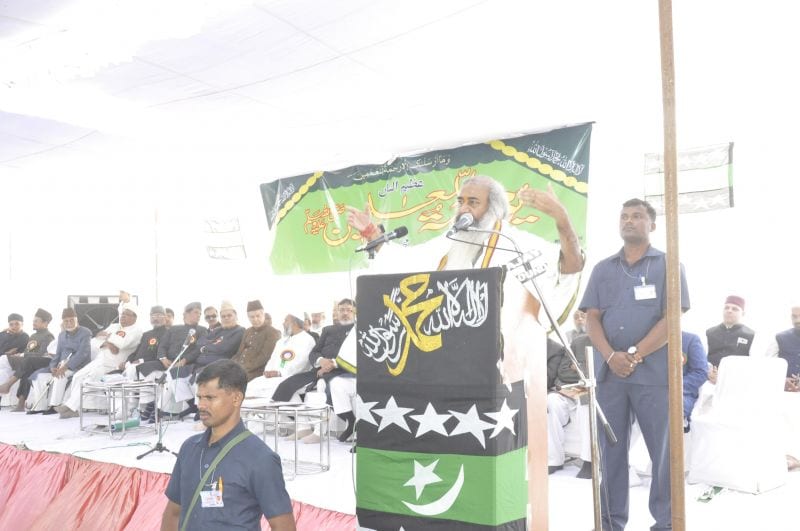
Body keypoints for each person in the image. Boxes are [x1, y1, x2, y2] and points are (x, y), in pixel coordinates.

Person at [346, 175, 584, 385]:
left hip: (504, 369)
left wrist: (561, 218)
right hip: (448, 366)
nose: (464, 209)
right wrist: (371, 233)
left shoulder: (517, 243)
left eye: (473, 202)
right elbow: (406, 263)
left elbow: (570, 266)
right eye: (461, 202)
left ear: (494, 209)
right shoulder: (450, 242)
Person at [580, 198, 690, 531]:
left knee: (663, 455)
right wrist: (610, 356)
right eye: (624, 216)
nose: (629, 221)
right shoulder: (603, 269)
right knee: (610, 453)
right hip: (610, 376)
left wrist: (635, 355)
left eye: (637, 216)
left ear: (652, 225)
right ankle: (610, 522)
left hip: (654, 376)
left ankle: (666, 524)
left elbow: (673, 319)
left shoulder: (668, 264)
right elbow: (591, 317)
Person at [160, 360, 295, 531]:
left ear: (236, 398)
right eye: (200, 397)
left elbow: (283, 526)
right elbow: (173, 513)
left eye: (210, 398)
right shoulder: (189, 448)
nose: (201, 405)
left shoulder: (261, 459)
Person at [271, 299, 358, 442]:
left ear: (355, 312)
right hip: (319, 369)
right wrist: (321, 361)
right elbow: (314, 352)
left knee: (323, 385)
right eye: (341, 310)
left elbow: (355, 355)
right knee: (287, 385)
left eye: (349, 310)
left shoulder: (359, 330)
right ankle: (303, 427)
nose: (345, 313)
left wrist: (332, 364)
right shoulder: (328, 330)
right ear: (337, 312)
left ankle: (320, 432)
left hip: (343, 370)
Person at [57, 303, 143, 418]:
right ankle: (73, 408)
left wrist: (108, 340)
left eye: (127, 314)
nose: (123, 316)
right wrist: (109, 342)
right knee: (78, 376)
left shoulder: (136, 330)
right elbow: (97, 339)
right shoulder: (114, 326)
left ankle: (71, 407)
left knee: (89, 379)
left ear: (134, 317)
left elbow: (121, 345)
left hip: (114, 363)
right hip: (101, 359)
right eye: (122, 314)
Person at [136, 302, 208, 417]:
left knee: (173, 374)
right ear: (186, 314)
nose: (199, 315)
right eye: (196, 312)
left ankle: (159, 409)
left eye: (200, 313)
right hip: (168, 361)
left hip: (187, 363)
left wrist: (184, 360)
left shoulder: (202, 330)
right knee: (145, 368)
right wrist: (163, 358)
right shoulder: (174, 329)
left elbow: (199, 349)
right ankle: (147, 404)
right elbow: (162, 346)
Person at [28, 308, 93, 414]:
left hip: (77, 366)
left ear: (77, 320)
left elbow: (82, 354)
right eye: (66, 321)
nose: (69, 323)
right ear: (63, 322)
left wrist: (66, 367)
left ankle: (55, 406)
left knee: (60, 376)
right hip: (60, 366)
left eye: (72, 320)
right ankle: (39, 407)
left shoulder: (85, 332)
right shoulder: (61, 335)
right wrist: (52, 367)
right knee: (39, 377)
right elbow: (57, 354)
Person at [546, 334, 593, 479]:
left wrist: (577, 367)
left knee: (585, 402)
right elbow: (563, 372)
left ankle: (589, 461)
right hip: (568, 390)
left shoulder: (611, 341)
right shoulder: (578, 342)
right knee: (551, 401)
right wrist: (585, 369)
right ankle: (554, 460)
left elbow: (603, 371)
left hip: (591, 393)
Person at [245, 310, 315, 405]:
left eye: (286, 320)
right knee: (251, 386)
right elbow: (272, 359)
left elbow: (301, 363)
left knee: (274, 390)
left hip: (292, 377)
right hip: (273, 377)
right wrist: (268, 371)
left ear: (294, 322)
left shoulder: (307, 340)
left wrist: (280, 373)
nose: (283, 323)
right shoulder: (281, 341)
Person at [0, 308, 56, 411]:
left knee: (23, 361)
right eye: (33, 321)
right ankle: (21, 404)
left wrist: (23, 355)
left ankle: (8, 385)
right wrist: (20, 355)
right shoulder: (33, 335)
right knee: (25, 369)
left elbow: (42, 353)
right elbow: (28, 351)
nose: (33, 323)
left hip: (44, 362)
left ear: (45, 323)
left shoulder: (48, 336)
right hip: (30, 361)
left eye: (36, 321)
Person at [121, 305, 170, 421]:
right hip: (136, 365)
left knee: (135, 369)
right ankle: (130, 407)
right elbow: (137, 352)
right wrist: (128, 361)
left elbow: (162, 353)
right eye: (153, 315)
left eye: (159, 315)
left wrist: (142, 361)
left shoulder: (168, 333)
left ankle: (139, 407)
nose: (156, 318)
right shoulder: (146, 334)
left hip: (156, 364)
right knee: (128, 370)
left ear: (165, 317)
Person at [705, 295, 755, 384]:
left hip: (737, 382)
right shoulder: (709, 332)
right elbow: (702, 358)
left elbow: (753, 364)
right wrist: (709, 372)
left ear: (743, 313)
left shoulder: (751, 335)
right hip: (709, 382)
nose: (729, 311)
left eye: (735, 309)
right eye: (726, 308)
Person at [231, 300, 281, 382]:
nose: (255, 319)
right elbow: (239, 353)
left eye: (258, 316)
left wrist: (242, 368)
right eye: (252, 317)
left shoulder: (272, 332)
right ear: (248, 318)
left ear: (263, 315)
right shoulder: (248, 331)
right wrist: (231, 365)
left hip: (256, 372)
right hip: (239, 368)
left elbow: (264, 357)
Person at [765, 305, 800, 392]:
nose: (797, 320)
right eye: (794, 316)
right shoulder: (779, 337)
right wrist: (782, 379)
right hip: (783, 391)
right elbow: (767, 364)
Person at [681, 331, 708, 430]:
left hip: (680, 394)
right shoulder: (646, 341)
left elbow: (700, 372)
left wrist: (673, 386)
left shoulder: (690, 339)